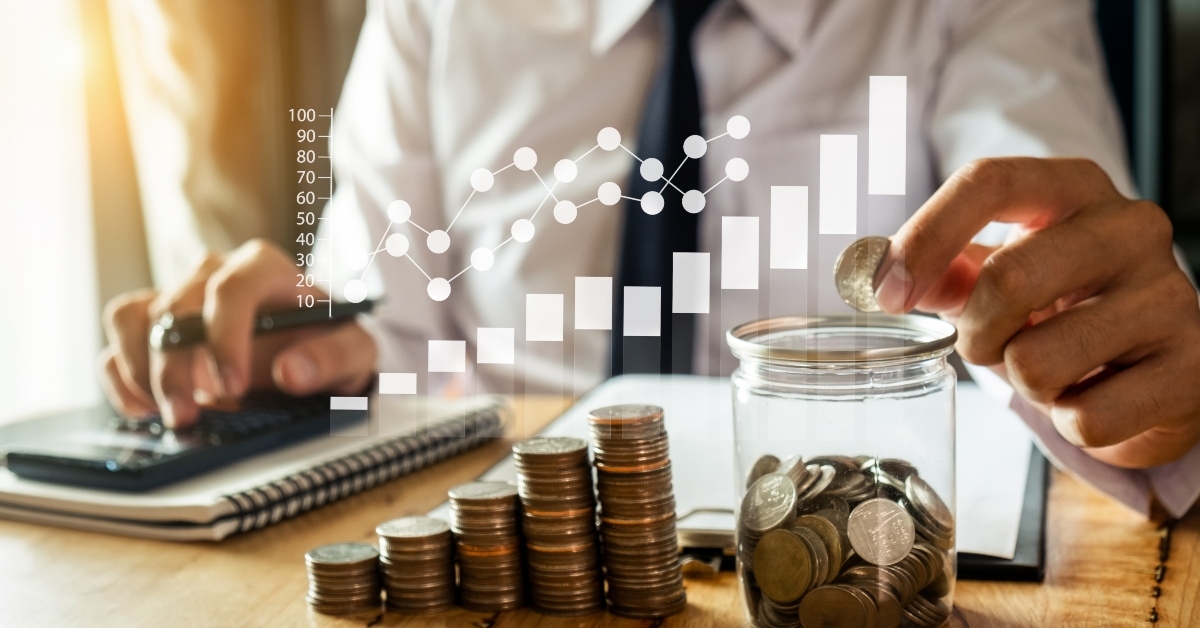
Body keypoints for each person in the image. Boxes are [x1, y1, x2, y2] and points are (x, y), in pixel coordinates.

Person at [99, 1, 1200, 514]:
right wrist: (301, 357)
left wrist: (1124, 379)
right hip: (518, 562)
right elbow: (386, 326)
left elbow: (1064, 279)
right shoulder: (434, 15)